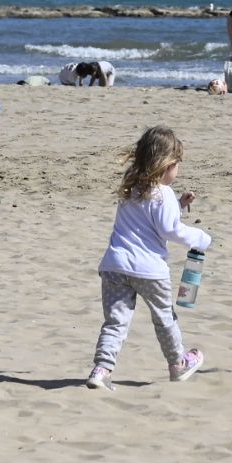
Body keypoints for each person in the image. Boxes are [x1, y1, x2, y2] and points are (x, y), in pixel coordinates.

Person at [84, 126, 209, 390]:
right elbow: (169, 229)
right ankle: (178, 364)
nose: (177, 171)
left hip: (115, 266)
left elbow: (149, 215)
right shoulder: (162, 194)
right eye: (176, 164)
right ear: (165, 164)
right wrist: (199, 238)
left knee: (115, 322)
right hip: (149, 270)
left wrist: (179, 203)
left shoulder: (132, 188)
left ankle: (101, 369)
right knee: (164, 317)